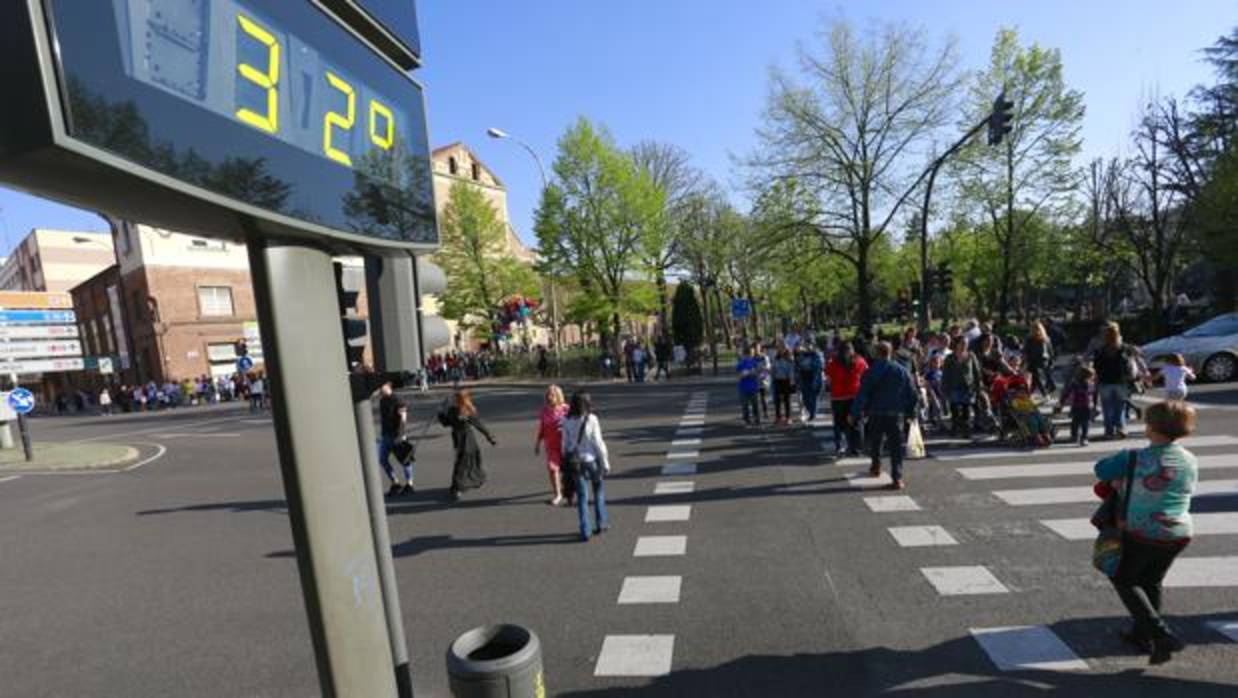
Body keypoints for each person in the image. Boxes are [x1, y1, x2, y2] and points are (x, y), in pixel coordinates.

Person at [1094, 401, 1198, 665]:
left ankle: (1161, 634)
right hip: (1179, 532)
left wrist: (1123, 480)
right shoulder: (1189, 459)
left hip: (1142, 531)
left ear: (1152, 428)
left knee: (1124, 579)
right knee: (1151, 581)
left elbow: (1100, 469)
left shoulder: (1133, 457)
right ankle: (1143, 635)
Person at [852, 342, 919, 490]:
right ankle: (897, 478)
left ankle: (876, 466)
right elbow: (912, 393)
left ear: (877, 353)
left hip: (876, 413)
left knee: (876, 442)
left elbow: (862, 394)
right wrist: (912, 412)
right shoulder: (901, 370)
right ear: (891, 352)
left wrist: (854, 412)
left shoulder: (870, 372)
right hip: (896, 414)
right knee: (896, 447)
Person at [561, 392, 610, 541]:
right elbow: (598, 443)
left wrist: (566, 458)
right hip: (591, 460)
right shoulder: (592, 419)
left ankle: (585, 530)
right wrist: (605, 462)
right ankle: (601, 523)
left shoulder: (566, 420)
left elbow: (565, 444)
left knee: (582, 496)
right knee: (598, 491)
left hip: (576, 462)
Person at [438, 390, 496, 501]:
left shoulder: (465, 410)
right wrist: (440, 412)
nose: (453, 400)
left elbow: (477, 423)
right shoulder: (453, 410)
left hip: (467, 438)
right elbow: (446, 422)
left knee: (469, 459)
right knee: (462, 461)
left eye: (455, 399)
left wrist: (489, 436)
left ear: (459, 399)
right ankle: (457, 488)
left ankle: (472, 481)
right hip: (460, 438)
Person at [1092, 322, 1136, 439]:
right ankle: (1121, 427)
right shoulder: (1124, 348)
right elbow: (1131, 363)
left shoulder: (1100, 350)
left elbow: (1096, 366)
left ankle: (1109, 431)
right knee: (1120, 407)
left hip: (1105, 381)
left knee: (1107, 408)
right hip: (1121, 380)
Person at [826, 341, 868, 456]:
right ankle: (856, 447)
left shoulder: (833, 362)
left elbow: (828, 380)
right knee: (856, 422)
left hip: (838, 397)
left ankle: (840, 445)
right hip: (855, 396)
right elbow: (866, 377)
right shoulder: (860, 361)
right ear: (852, 350)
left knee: (839, 423)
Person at [374, 381, 414, 496]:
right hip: (386, 436)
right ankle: (395, 483)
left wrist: (401, 435)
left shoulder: (398, 400)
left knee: (405, 461)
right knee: (382, 460)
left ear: (388, 386)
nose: (380, 389)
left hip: (397, 436)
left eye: (381, 386)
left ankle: (409, 484)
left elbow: (403, 418)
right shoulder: (382, 401)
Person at [534, 385, 570, 506]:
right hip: (551, 446)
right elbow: (542, 428)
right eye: (548, 395)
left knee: (567, 470)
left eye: (552, 395)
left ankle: (568, 491)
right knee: (552, 469)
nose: (550, 397)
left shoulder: (566, 409)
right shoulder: (544, 411)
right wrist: (537, 443)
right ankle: (558, 494)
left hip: (565, 444)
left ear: (558, 396)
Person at [942, 336, 984, 438]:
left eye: (966, 343)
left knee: (966, 410)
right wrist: (945, 388)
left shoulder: (971, 355)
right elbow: (945, 374)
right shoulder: (949, 358)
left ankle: (966, 430)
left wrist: (978, 386)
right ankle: (955, 428)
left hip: (968, 387)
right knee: (954, 409)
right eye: (962, 343)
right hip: (954, 387)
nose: (964, 345)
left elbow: (976, 372)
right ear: (956, 344)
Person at [1060, 364, 1097, 446]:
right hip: (1086, 405)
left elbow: (1066, 392)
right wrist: (1094, 405)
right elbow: (1094, 395)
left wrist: (1061, 402)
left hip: (1076, 405)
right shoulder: (1090, 384)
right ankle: (1084, 437)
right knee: (1085, 423)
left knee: (1075, 422)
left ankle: (1074, 436)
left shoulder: (1074, 383)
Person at [1024, 321, 1056, 398]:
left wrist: (1051, 361)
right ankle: (1030, 393)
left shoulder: (1032, 339)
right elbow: (1050, 351)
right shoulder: (1044, 338)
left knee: (1037, 379)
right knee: (1036, 379)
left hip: (1037, 361)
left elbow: (1026, 350)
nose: (1036, 331)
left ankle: (1044, 394)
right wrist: (1051, 361)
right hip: (1040, 361)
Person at [796, 343, 825, 425]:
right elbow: (798, 366)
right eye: (806, 347)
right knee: (805, 399)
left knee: (813, 398)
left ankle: (813, 413)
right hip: (804, 380)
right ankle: (811, 411)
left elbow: (820, 367)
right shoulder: (801, 356)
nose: (808, 348)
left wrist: (811, 367)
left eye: (809, 347)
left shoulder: (817, 355)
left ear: (813, 347)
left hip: (813, 379)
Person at [736, 346, 762, 426]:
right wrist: (747, 373)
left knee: (755, 404)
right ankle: (747, 419)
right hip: (744, 388)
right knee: (745, 405)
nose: (751, 355)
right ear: (746, 354)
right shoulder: (741, 363)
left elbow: (758, 373)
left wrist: (748, 373)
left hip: (753, 387)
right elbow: (738, 376)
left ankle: (756, 419)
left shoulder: (754, 362)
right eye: (751, 353)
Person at [771, 348, 796, 425]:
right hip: (777, 381)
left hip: (786, 381)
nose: (781, 350)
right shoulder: (775, 359)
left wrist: (792, 382)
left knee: (787, 400)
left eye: (782, 349)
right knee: (777, 400)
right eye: (779, 349)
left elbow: (791, 371)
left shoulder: (789, 360)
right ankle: (778, 417)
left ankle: (788, 417)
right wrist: (772, 379)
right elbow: (773, 370)